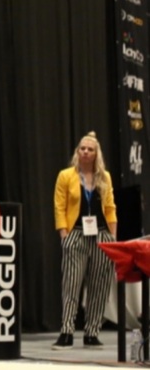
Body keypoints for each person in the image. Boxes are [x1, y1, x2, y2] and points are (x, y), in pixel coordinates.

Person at [51, 131, 117, 350]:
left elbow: (110, 208)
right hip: (76, 233)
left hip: (101, 234)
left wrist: (113, 238)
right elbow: (59, 207)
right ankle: (67, 331)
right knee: (71, 284)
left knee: (100, 286)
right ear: (77, 152)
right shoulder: (66, 176)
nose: (86, 152)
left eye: (90, 149)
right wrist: (64, 235)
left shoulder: (104, 177)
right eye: (82, 148)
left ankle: (92, 332)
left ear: (97, 154)